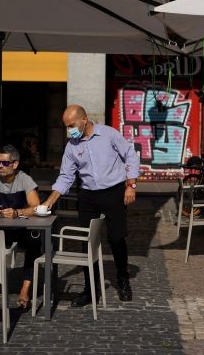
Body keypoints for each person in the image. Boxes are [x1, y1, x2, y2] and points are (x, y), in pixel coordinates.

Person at [41, 104, 140, 306]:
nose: (69, 130)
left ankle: (122, 279)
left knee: (116, 237)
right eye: (66, 127)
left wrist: (131, 184)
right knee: (88, 241)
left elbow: (130, 154)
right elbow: (66, 176)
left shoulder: (108, 134)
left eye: (71, 125)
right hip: (88, 195)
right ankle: (90, 289)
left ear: (84, 120)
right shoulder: (71, 146)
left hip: (114, 191)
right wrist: (49, 202)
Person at [0, 144, 41, 309]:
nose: (0, 166)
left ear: (15, 164)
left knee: (35, 240)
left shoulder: (24, 179)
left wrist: (17, 213)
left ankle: (25, 289)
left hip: (21, 229)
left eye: (4, 163)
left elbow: (36, 206)